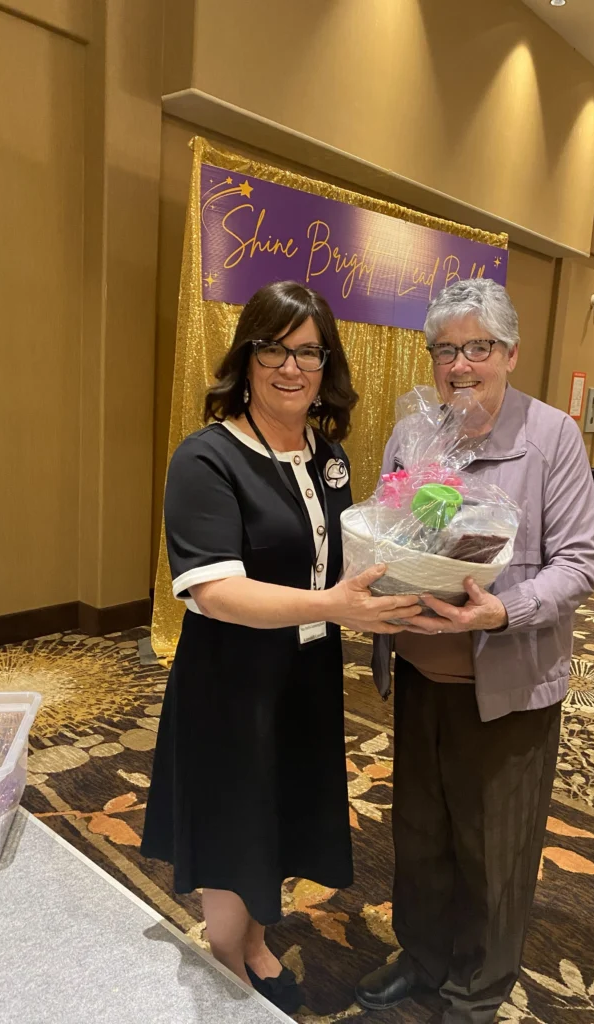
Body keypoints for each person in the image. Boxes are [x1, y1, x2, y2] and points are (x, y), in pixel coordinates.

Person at [141, 281, 421, 1012]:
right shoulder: (206, 458)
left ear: (326, 364)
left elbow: (339, 559)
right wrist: (333, 604)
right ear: (247, 355)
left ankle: (259, 944)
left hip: (304, 673)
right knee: (237, 831)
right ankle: (228, 965)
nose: (290, 368)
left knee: (284, 814)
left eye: (308, 352)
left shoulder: (326, 455)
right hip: (231, 684)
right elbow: (214, 592)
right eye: (275, 349)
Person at [356, 278, 594, 1023]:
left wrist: (502, 612)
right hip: (424, 670)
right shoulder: (414, 434)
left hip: (508, 685)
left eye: (478, 348)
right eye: (446, 351)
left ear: (510, 352)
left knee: (494, 845)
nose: (461, 365)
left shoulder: (551, 436)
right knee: (421, 830)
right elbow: (386, 525)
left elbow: (579, 562)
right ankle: (424, 957)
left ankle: (478, 987)